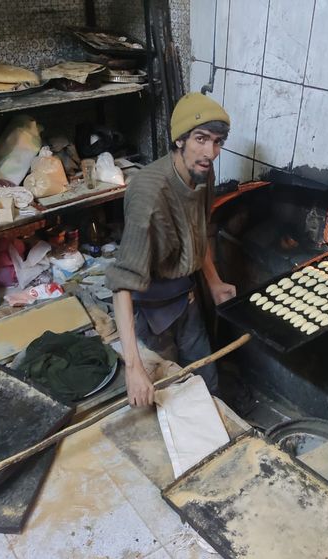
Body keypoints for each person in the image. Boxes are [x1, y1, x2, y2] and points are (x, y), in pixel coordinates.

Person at [105, 92, 236, 408]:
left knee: (208, 382)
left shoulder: (202, 172)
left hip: (186, 300)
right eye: (201, 140)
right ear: (179, 140)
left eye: (217, 142)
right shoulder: (149, 194)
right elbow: (122, 283)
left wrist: (214, 282)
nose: (210, 152)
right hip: (149, 310)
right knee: (167, 397)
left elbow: (199, 232)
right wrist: (133, 368)